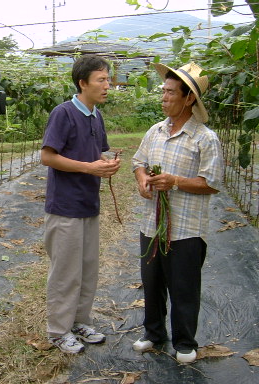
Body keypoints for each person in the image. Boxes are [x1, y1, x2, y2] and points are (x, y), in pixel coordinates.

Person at [131, 62, 223, 364]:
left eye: (170, 92)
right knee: (152, 281)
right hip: (151, 224)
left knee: (184, 287)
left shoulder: (204, 138)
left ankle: (185, 342)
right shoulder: (155, 131)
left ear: (188, 99)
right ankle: (153, 333)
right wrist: (143, 179)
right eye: (164, 91)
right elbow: (138, 162)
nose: (164, 97)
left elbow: (211, 183)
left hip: (186, 228)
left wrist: (175, 181)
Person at [41, 54, 121, 354]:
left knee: (88, 269)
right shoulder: (63, 113)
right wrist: (90, 169)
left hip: (89, 203)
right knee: (65, 273)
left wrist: (107, 162)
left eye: (108, 79)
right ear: (82, 82)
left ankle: (80, 322)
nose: (107, 85)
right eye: (101, 79)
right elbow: (47, 156)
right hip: (65, 207)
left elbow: (97, 152)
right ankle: (58, 331)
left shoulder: (95, 115)